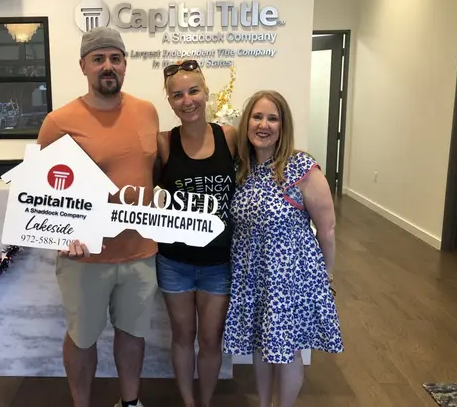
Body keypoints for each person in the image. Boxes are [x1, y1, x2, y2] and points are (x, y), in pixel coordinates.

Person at [36, 27, 159, 407]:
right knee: (82, 338)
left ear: (125, 64)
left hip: (140, 252)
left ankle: (130, 402)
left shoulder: (147, 111)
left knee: (133, 334)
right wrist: (60, 235)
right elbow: (41, 192)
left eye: (115, 58)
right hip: (85, 257)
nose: (108, 66)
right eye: (99, 59)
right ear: (83, 66)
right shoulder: (59, 121)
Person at [223, 90, 343, 407]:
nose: (263, 125)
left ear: (283, 126)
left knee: (288, 351)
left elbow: (327, 230)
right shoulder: (241, 168)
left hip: (291, 278)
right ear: (247, 122)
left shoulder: (301, 167)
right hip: (252, 275)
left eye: (272, 118)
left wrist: (326, 277)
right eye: (257, 117)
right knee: (262, 346)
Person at [156, 60, 236, 407]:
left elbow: (262, 168)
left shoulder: (229, 137)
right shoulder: (163, 143)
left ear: (206, 93)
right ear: (169, 101)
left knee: (210, 339)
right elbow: (143, 193)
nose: (187, 101)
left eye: (193, 91)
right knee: (182, 335)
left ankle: (205, 402)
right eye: (177, 95)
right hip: (174, 260)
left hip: (219, 262)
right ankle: (189, 403)